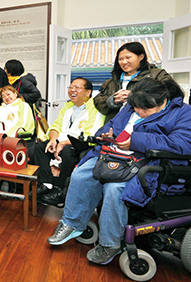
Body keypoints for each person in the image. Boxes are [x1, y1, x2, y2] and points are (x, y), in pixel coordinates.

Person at [47, 78, 191, 266]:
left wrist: (136, 141)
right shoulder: (131, 106)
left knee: (115, 189)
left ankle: (110, 244)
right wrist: (106, 134)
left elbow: (183, 144)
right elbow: (110, 125)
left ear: (162, 102)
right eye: (135, 107)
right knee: (81, 173)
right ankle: (72, 224)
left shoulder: (182, 113)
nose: (138, 112)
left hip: (148, 162)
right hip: (113, 155)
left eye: (144, 110)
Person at [32, 78, 105, 207]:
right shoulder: (67, 106)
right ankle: (46, 184)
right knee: (40, 147)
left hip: (81, 145)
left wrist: (63, 143)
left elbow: (90, 135)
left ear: (88, 93)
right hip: (61, 142)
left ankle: (61, 190)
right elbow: (55, 126)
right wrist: (53, 140)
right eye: (71, 87)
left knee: (67, 153)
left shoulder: (95, 109)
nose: (72, 90)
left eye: (77, 87)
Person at [94, 41, 172, 123]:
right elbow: (98, 104)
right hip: (115, 128)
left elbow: (171, 94)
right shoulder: (112, 81)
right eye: (120, 59)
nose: (124, 62)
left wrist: (135, 95)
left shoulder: (157, 75)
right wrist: (113, 101)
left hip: (148, 126)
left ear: (141, 56)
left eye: (128, 58)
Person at [0, 85, 35, 167]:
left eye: (8, 94)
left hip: (16, 140)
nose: (6, 97)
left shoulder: (24, 106)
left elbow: (24, 124)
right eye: (3, 96)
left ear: (15, 94)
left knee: (5, 154)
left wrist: (6, 138)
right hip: (0, 140)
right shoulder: (1, 108)